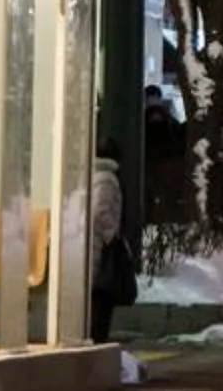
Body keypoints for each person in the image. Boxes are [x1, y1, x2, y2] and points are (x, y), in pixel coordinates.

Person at [91, 140, 137, 342]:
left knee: (96, 296)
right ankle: (98, 339)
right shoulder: (107, 179)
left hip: (92, 245)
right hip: (100, 247)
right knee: (103, 295)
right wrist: (112, 236)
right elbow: (101, 211)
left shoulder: (91, 176)